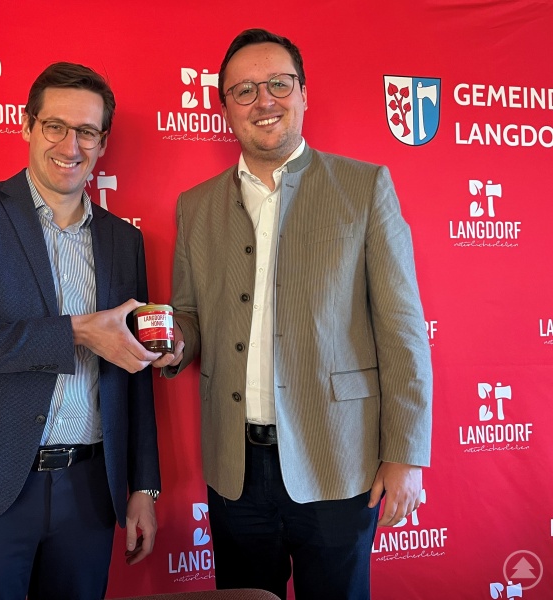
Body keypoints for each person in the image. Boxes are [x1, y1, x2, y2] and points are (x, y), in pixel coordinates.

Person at [153, 29, 432, 600]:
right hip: (236, 470)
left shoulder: (364, 186)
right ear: (224, 106)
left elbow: (403, 330)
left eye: (279, 83)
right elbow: (188, 315)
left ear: (303, 94)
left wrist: (405, 455)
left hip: (339, 461)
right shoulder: (195, 205)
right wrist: (171, 340)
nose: (265, 100)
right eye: (245, 90)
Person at [0, 61, 162, 600]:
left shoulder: (124, 240)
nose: (70, 145)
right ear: (28, 126)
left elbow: (135, 371)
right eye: (55, 126)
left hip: (89, 491)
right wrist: (73, 332)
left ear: (103, 141)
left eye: (86, 132)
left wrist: (142, 486)